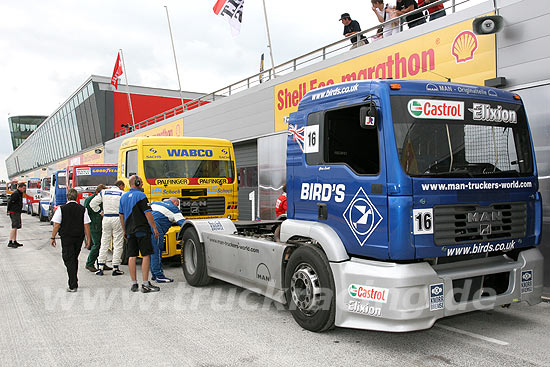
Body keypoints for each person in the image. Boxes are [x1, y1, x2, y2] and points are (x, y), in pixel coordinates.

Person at [119, 175, 160, 293]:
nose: (142, 184)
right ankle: (146, 284)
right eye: (141, 182)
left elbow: (121, 216)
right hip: (142, 230)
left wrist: (124, 231)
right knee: (146, 255)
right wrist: (155, 228)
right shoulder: (141, 196)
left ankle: (134, 283)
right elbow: (148, 214)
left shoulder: (123, 197)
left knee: (132, 256)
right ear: (136, 183)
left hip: (130, 231)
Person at [50, 188, 91, 292]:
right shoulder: (83, 209)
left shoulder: (61, 209)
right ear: (77, 197)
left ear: (67, 197)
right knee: (73, 258)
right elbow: (86, 225)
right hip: (79, 237)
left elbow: (56, 225)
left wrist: (52, 237)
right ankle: (74, 280)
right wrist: (88, 239)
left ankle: (73, 284)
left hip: (67, 237)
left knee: (68, 258)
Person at [91, 180, 126, 276]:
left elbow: (92, 204)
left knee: (104, 242)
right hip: (117, 218)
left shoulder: (104, 192)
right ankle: (115, 267)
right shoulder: (122, 193)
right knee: (118, 243)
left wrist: (100, 212)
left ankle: (100, 266)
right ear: (120, 186)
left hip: (106, 218)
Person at [149, 197, 185, 283]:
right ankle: (159, 275)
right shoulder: (174, 208)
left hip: (145, 226)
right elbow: (184, 224)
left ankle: (154, 274)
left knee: (152, 251)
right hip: (156, 228)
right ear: (176, 202)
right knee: (157, 251)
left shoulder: (155, 203)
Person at [84, 184, 107, 272]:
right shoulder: (90, 200)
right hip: (94, 225)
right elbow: (86, 213)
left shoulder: (101, 199)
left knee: (103, 244)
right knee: (97, 244)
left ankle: (101, 262)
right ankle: (89, 263)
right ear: (97, 192)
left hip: (101, 224)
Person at [7, 182, 26, 248]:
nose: (24, 189)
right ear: (19, 188)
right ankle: (10, 241)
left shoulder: (19, 194)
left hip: (17, 212)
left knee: (16, 227)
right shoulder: (15, 194)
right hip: (14, 212)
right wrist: (9, 211)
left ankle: (14, 240)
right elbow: (10, 202)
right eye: (23, 188)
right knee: (14, 227)